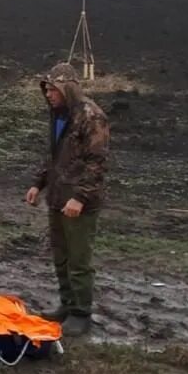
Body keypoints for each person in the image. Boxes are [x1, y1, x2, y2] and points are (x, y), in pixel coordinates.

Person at [24, 62, 109, 337]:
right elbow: (54, 155)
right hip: (58, 197)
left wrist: (80, 198)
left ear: (66, 88)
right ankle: (67, 304)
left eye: (53, 89)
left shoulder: (91, 116)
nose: (48, 95)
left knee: (79, 260)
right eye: (46, 90)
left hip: (78, 203)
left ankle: (81, 313)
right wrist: (39, 184)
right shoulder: (59, 115)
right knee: (61, 255)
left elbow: (96, 162)